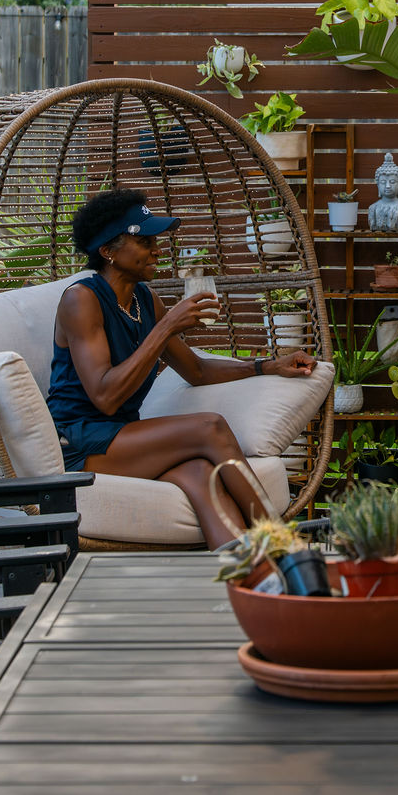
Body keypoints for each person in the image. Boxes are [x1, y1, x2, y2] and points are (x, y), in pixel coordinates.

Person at [47, 188, 316, 547]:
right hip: (79, 444)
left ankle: (248, 579)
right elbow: (105, 396)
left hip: (121, 436)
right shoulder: (81, 299)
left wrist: (268, 366)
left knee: (202, 475)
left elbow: (198, 372)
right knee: (210, 427)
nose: (158, 250)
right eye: (144, 241)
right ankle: (288, 550)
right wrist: (167, 326)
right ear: (107, 251)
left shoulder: (145, 299)